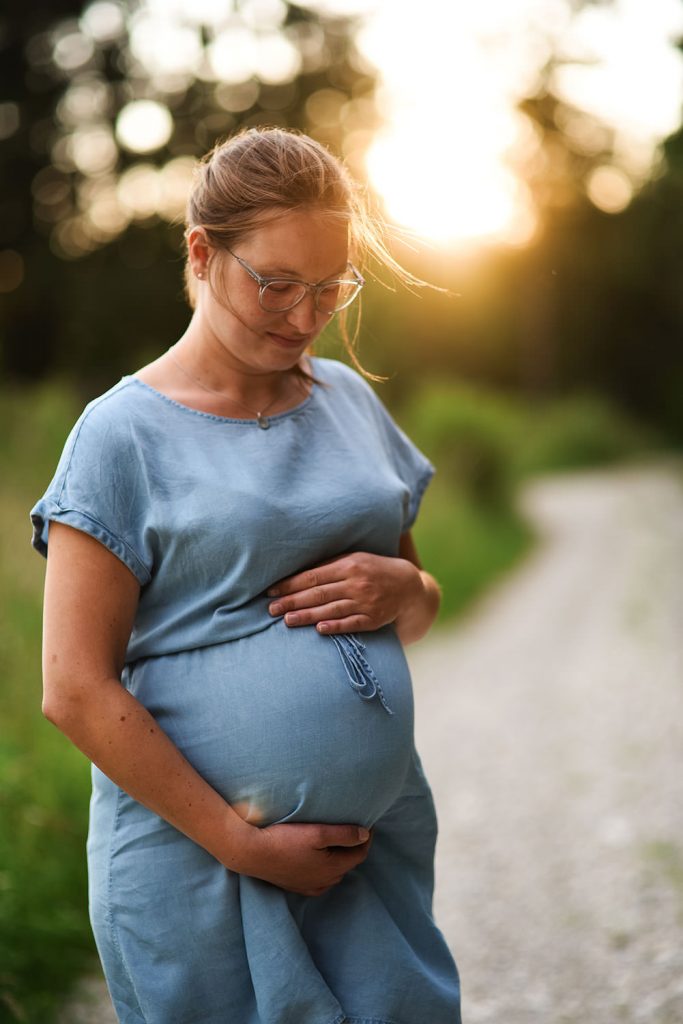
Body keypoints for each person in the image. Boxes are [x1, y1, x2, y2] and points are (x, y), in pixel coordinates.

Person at [31, 126, 461, 1024]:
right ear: (201, 252)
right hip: (195, 864)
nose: (305, 317)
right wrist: (241, 842)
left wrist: (403, 591)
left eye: (330, 288)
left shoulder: (351, 401)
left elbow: (418, 605)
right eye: (275, 283)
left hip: (369, 857)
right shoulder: (121, 436)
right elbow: (74, 687)